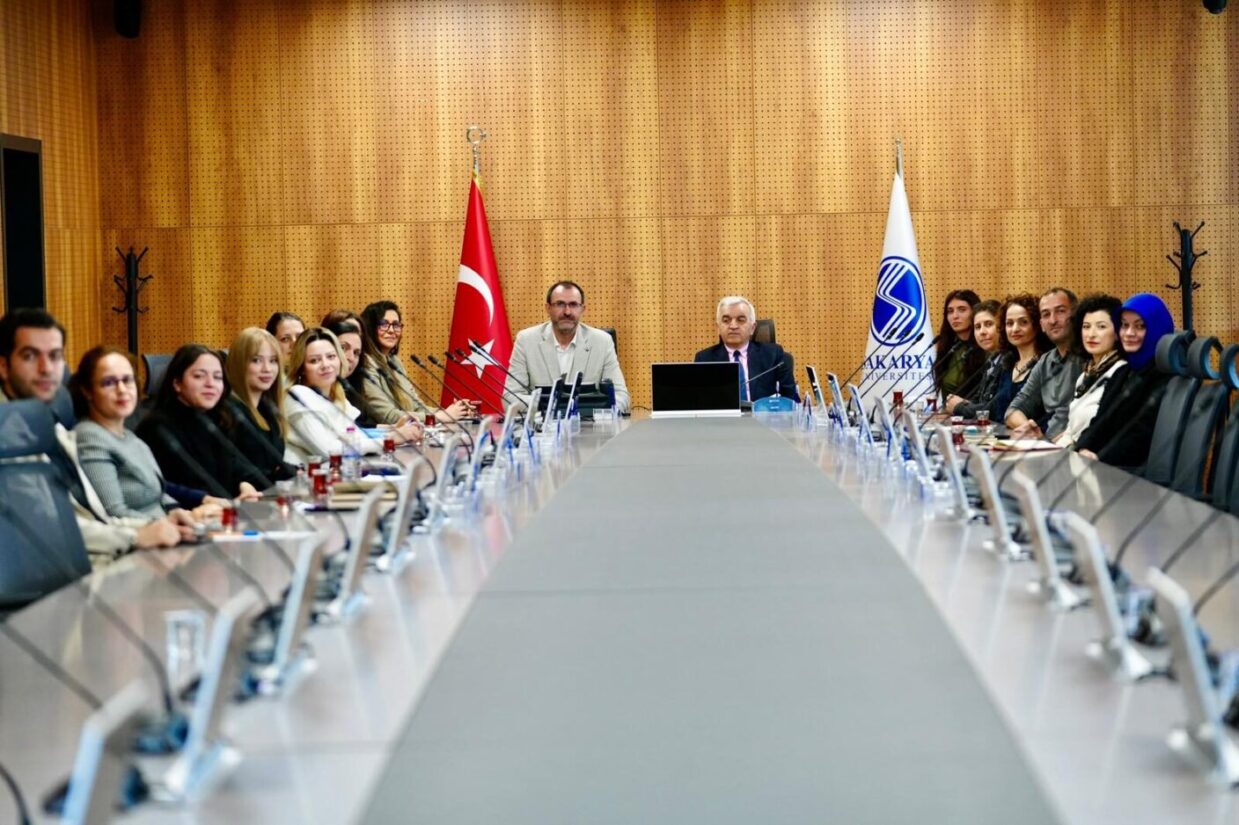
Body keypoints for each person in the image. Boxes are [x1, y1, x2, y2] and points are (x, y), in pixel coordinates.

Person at [0, 309, 186, 562]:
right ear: (3, 366)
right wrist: (134, 537)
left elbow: (96, 517)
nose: (46, 368)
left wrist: (159, 525)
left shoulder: (55, 431)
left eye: (55, 356)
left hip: (93, 558)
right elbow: (44, 525)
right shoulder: (7, 436)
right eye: (30, 356)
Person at [73, 346, 228, 522]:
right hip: (140, 536)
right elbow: (113, 513)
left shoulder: (129, 437)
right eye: (109, 382)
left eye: (128, 380)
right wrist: (172, 523)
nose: (122, 389)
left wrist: (187, 515)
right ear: (87, 391)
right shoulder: (90, 437)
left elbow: (159, 494)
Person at [136, 344, 269, 500]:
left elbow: (233, 465)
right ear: (177, 383)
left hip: (224, 509)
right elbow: (160, 486)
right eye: (199, 376)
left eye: (217, 377)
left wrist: (244, 484)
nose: (210, 383)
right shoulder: (156, 427)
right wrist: (204, 500)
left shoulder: (218, 418)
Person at [1076, 293, 1176, 469]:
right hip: (1104, 468)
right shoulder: (1122, 372)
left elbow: (1142, 435)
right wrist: (1082, 448)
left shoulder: (1165, 378)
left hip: (1134, 475)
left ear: (1156, 329)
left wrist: (1099, 457)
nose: (1129, 333)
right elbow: (1099, 423)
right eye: (1124, 325)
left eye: (1140, 326)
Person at [505, 282, 632, 412]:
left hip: (589, 423)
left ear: (582, 309)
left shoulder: (602, 342)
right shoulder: (526, 341)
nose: (567, 312)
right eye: (560, 304)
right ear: (548, 308)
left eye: (573, 304)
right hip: (542, 423)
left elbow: (621, 396)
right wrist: (551, 405)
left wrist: (599, 412)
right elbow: (509, 397)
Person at [359, 300, 476, 425]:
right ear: (370, 328)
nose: (391, 330)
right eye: (384, 324)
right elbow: (388, 416)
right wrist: (440, 417)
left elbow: (416, 407)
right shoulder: (365, 364)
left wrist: (453, 412)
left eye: (396, 325)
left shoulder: (394, 361)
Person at [284, 327, 383, 463]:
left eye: (331, 357)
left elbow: (359, 438)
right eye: (314, 360)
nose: (326, 365)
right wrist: (386, 441)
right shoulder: (297, 395)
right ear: (301, 368)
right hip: (301, 475)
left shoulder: (336, 396)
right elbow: (327, 451)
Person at [325, 319, 422, 443]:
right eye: (343, 348)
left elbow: (356, 427)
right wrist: (390, 437)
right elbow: (335, 443)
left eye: (356, 352)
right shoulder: (310, 394)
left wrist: (392, 428)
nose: (351, 358)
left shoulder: (342, 388)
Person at [1005, 287, 1082, 440]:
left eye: (1060, 311)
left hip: (1073, 446)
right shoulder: (1046, 361)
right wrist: (1031, 430)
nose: (1053, 320)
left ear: (1075, 315)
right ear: (1041, 325)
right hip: (1047, 445)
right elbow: (1012, 411)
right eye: (1046, 314)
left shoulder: (1089, 358)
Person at [224, 328, 299, 482]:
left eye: (273, 361)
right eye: (256, 360)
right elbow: (232, 470)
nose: (267, 369)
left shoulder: (269, 409)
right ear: (239, 363)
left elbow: (273, 467)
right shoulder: (228, 411)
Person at [694, 295, 799, 402]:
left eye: (740, 320)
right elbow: (699, 401)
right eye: (726, 320)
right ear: (718, 328)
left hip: (762, 412)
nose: (733, 326)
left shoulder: (773, 355)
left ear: (752, 328)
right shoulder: (704, 359)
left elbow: (789, 398)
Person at [1054, 295, 1126, 448]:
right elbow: (1070, 432)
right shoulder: (1085, 375)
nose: (1091, 334)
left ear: (1117, 333)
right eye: (1086, 326)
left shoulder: (1121, 373)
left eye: (1101, 327)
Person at [984, 293, 1051, 426]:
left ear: (1037, 325)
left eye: (1023, 322)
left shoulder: (1045, 364)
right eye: (1009, 323)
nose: (1015, 329)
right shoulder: (1006, 365)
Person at [945, 299, 1001, 418]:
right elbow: (980, 401)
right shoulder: (992, 361)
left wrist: (959, 407)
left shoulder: (1009, 361)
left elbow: (996, 408)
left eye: (989, 324)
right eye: (977, 327)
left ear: (1002, 327)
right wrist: (963, 403)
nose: (982, 332)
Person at [932, 289, 984, 403]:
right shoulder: (948, 349)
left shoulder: (986, 348)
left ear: (975, 312)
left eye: (962, 310)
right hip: (949, 413)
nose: (955, 316)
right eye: (950, 311)